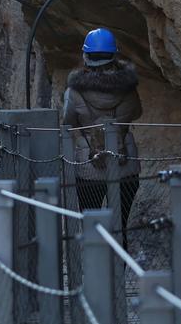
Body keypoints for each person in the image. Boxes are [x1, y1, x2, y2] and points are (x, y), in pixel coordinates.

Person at [61, 27, 142, 231]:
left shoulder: (75, 89)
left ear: (86, 55)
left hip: (90, 165)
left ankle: (93, 263)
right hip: (125, 165)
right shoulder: (128, 86)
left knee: (91, 226)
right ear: (114, 54)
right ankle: (119, 263)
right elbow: (137, 112)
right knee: (120, 226)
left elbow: (68, 121)